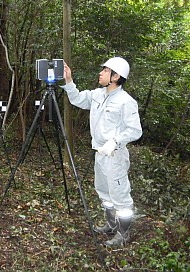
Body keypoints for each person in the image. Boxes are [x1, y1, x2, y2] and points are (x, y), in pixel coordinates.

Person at [61, 57, 142, 247]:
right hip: (99, 153)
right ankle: (111, 224)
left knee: (120, 195)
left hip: (115, 156)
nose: (101, 73)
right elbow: (77, 99)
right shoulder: (97, 95)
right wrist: (68, 80)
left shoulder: (126, 101)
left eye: (105, 70)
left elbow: (135, 130)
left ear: (116, 76)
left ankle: (123, 234)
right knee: (104, 191)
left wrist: (115, 141)